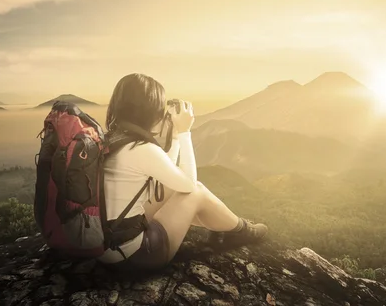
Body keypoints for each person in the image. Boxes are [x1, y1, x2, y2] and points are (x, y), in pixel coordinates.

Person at [98, 73, 268, 271]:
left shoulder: (111, 139)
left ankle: (226, 227)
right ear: (149, 110)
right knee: (197, 191)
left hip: (106, 246)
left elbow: (167, 176)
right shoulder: (140, 148)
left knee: (176, 188)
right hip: (135, 256)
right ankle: (242, 230)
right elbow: (188, 183)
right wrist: (185, 131)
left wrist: (175, 136)